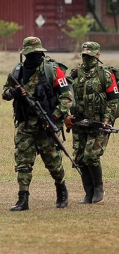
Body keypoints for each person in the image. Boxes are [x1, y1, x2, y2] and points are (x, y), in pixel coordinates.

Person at [2, 36, 73, 211]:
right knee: (23, 162)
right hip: (25, 125)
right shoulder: (17, 71)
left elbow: (67, 98)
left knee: (53, 162)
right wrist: (14, 92)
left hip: (46, 125)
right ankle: (23, 198)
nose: (33, 57)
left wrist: (54, 118)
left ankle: (61, 190)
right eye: (30, 54)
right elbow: (5, 93)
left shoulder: (53, 70)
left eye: (36, 54)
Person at [64, 42, 119, 204]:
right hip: (79, 123)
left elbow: (113, 101)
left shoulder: (105, 75)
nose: (87, 59)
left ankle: (98, 189)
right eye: (85, 55)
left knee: (91, 156)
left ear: (98, 55)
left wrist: (106, 120)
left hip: (98, 123)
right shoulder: (75, 74)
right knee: (80, 158)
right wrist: (66, 116)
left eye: (90, 55)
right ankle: (88, 192)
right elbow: (64, 96)